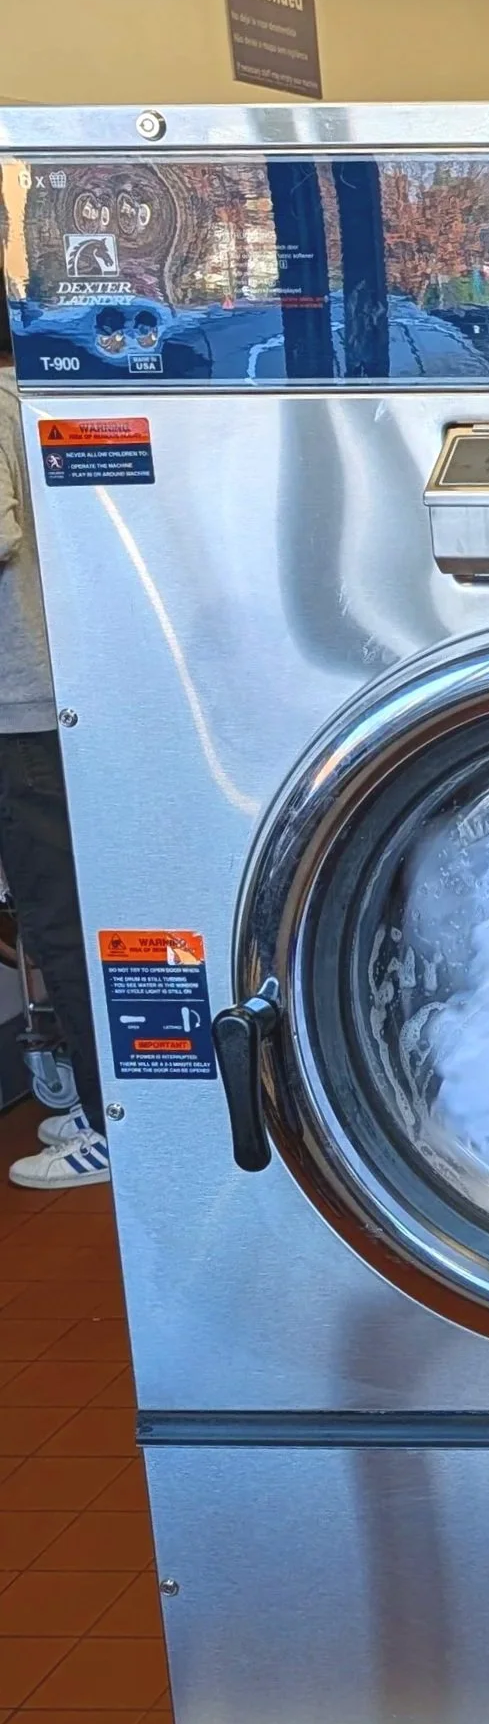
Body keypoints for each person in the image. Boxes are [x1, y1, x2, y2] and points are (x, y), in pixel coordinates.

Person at [0, 305, 108, 1189]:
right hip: (58, 691)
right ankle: (117, 1100)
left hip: (19, 705)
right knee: (77, 908)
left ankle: (119, 1117)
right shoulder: (25, 397)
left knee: (60, 921)